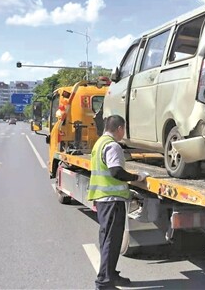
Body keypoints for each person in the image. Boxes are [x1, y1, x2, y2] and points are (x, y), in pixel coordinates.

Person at [88, 114, 149, 290]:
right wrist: (137, 177)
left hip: (103, 199)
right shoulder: (113, 146)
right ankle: (104, 283)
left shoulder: (100, 143)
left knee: (109, 240)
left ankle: (110, 275)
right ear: (120, 128)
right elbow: (116, 172)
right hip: (111, 201)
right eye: (124, 129)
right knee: (111, 241)